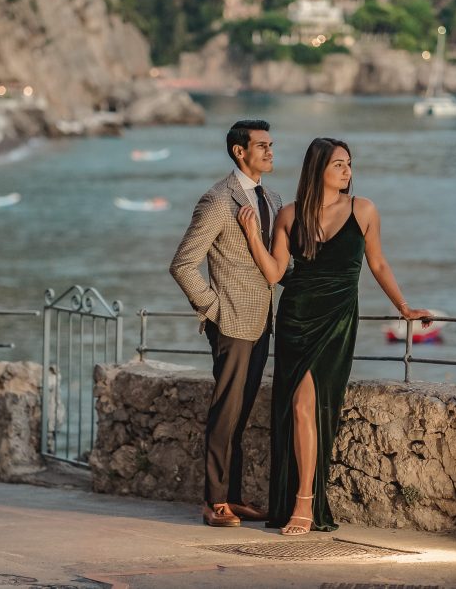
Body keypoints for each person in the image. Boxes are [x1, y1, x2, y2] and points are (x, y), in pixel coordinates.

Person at [236, 137, 432, 536]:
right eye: (339, 165)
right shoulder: (290, 216)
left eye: (349, 164)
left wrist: (404, 308)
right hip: (296, 319)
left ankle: (304, 502)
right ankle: (302, 503)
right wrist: (253, 236)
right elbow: (275, 275)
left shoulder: (364, 209)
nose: (347, 171)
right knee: (301, 406)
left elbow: (377, 262)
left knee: (314, 406)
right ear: (318, 169)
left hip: (338, 321)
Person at [169, 119, 282, 527]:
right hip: (230, 323)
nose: (270, 152)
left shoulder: (272, 197)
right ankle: (213, 501)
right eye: (262, 145)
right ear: (240, 151)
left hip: (262, 323)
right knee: (225, 412)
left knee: (242, 413)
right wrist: (213, 309)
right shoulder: (218, 200)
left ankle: (233, 497)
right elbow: (183, 263)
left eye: (271, 145)